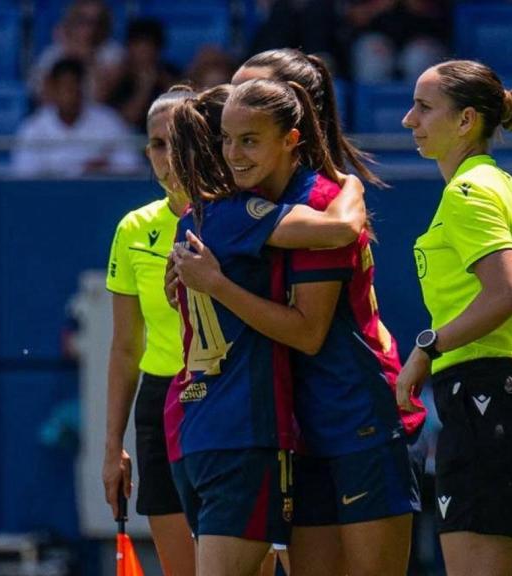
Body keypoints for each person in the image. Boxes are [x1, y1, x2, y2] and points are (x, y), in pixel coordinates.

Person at [171, 78, 425, 576]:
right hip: (278, 427)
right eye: (227, 138)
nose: (234, 152)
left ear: (292, 136)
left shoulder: (311, 202)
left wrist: (215, 284)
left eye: (249, 138)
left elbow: (309, 331)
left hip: (349, 416)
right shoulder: (243, 211)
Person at [395, 59, 512, 576]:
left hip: (486, 410)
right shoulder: (507, 189)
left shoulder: (467, 195)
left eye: (424, 108)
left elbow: (508, 295)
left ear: (466, 120)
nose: (410, 120)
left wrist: (425, 350)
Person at [101, 87, 198, 576]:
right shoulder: (133, 229)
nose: (168, 156)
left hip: (225, 396)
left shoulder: (237, 215)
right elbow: (123, 347)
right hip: (161, 404)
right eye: (157, 144)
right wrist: (111, 445)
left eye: (179, 140)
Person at [233, 48, 383, 188]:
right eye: (231, 95)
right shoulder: (221, 186)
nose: (230, 107)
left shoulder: (328, 205)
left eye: (251, 98)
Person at [12, 58, 141, 177]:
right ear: (53, 90)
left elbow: (131, 164)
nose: (70, 94)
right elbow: (24, 174)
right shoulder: (34, 127)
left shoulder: (108, 120)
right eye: (65, 87)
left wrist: (104, 168)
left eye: (75, 86)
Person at [30, 0, 124, 102]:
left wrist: (83, 55)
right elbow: (43, 96)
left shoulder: (114, 52)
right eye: (84, 21)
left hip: (98, 114)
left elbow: (101, 97)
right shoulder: (54, 53)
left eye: (98, 21)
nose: (91, 28)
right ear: (72, 22)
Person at [100, 18, 179, 133]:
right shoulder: (119, 79)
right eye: (138, 45)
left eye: (149, 46)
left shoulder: (169, 73)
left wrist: (163, 82)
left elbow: (184, 111)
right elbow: (123, 122)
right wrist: (144, 88)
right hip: (127, 142)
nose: (143, 52)